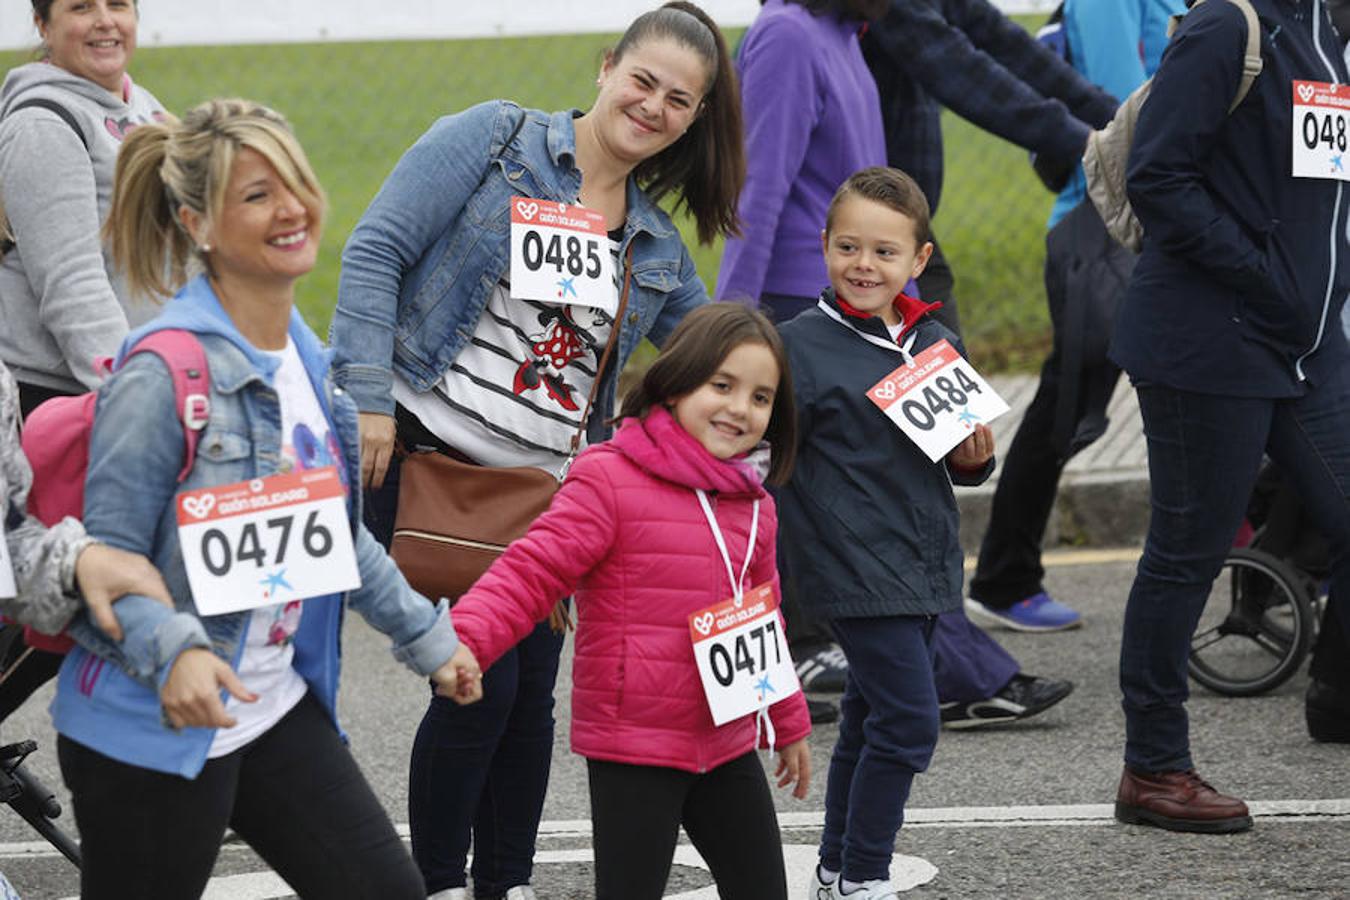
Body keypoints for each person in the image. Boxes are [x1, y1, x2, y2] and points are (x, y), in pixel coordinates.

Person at [328, 4, 745, 896]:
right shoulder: (494, 141)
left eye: (678, 99)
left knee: (527, 709)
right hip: (422, 461)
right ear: (605, 68)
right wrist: (365, 399)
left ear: (695, 117)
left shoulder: (658, 248)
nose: (652, 107)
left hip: (546, 501)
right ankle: (439, 881)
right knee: (483, 686)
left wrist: (806, 382)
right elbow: (375, 252)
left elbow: (712, 362)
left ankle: (505, 882)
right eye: (642, 81)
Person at [49, 98, 483, 899]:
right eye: (256, 196)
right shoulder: (162, 375)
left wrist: (430, 638)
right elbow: (104, 565)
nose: (292, 209)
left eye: (295, 183)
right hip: (156, 726)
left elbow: (335, 536)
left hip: (274, 706)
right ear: (196, 223)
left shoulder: (313, 366)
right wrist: (177, 651)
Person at [452, 303, 811, 900]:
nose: (739, 408)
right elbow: (533, 569)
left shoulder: (755, 505)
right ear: (675, 383)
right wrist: (465, 638)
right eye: (721, 385)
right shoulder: (610, 477)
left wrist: (788, 719)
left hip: (725, 741)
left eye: (761, 397)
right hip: (635, 743)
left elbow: (762, 621)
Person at [1110, 0, 1350, 833]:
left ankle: (1339, 695)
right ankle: (1153, 769)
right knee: (1188, 553)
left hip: (1307, 346)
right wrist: (1261, 275)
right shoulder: (1230, 26)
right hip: (1211, 340)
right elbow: (1157, 175)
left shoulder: (1331, 28)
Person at [777, 167, 995, 898]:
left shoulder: (933, 339)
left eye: (883, 252)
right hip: (853, 570)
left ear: (918, 260)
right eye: (847, 247)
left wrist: (976, 457)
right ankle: (864, 876)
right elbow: (759, 452)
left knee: (873, 717)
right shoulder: (797, 348)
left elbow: (961, 463)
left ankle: (837, 865)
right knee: (910, 723)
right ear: (824, 246)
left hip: (925, 564)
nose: (863, 265)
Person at [966, 0, 1184, 633]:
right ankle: (1005, 577)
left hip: (1143, 225)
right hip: (1101, 229)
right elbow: (1123, 107)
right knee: (1068, 401)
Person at [0, 0, 166, 721]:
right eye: (79, 7)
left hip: (125, 389)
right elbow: (71, 286)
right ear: (42, 23)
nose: (104, 22)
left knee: (79, 606)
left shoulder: (147, 110)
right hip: (57, 401)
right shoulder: (43, 123)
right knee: (50, 604)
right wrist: (141, 403)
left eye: (118, 4)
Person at [860, 0, 1118, 337]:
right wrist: (1089, 142)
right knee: (937, 360)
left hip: (899, 214)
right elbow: (959, 70)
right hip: (861, 217)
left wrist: (1117, 120)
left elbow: (1004, 41)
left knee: (938, 359)